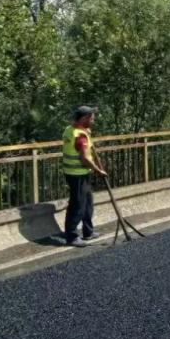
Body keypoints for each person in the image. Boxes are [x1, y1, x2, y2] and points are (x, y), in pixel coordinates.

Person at [61, 106, 107, 247]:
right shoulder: (80, 136)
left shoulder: (70, 130)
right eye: (91, 118)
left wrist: (86, 132)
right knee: (77, 205)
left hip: (76, 173)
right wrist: (98, 170)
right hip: (78, 174)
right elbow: (85, 159)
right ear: (84, 119)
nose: (94, 120)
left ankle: (88, 231)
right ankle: (72, 236)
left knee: (87, 202)